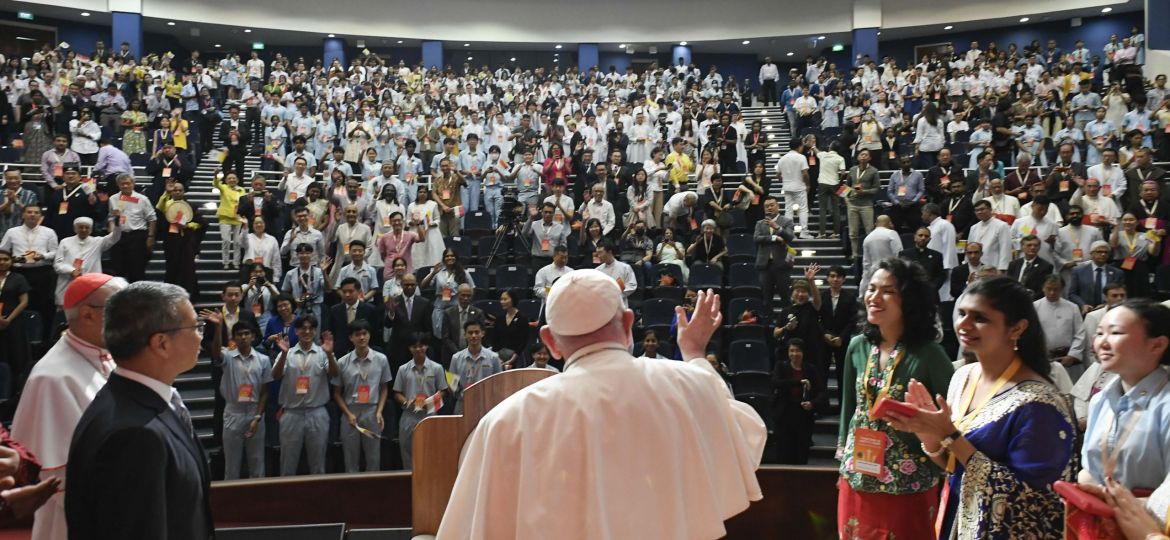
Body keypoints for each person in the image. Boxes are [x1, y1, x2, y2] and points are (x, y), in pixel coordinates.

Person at [436, 273, 765, 539]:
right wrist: (693, 352)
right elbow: (744, 439)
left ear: (550, 342)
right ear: (627, 323)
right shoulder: (687, 385)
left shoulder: (505, 422)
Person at [887, 277, 1075, 539]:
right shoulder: (964, 376)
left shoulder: (1039, 403)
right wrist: (929, 436)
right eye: (962, 313)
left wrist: (951, 435)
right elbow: (955, 467)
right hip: (958, 518)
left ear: (1017, 328)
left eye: (980, 318)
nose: (963, 325)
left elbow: (1034, 501)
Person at [66, 281, 213, 540]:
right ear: (161, 343)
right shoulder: (135, 435)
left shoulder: (128, 399)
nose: (201, 335)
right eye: (196, 327)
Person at [11, 274, 127, 540]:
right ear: (87, 315)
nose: (132, 319)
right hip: (79, 522)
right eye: (122, 310)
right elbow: (62, 477)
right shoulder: (53, 377)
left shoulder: (108, 358)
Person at [1077, 300, 1170, 495]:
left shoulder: (1165, 405)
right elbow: (1090, 470)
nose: (1102, 342)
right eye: (1100, 332)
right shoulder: (1100, 400)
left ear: (1157, 345)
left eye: (1116, 333)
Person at [203, 312, 270, 480]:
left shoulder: (263, 360)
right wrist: (218, 327)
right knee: (232, 464)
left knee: (257, 462)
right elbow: (216, 351)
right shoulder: (228, 356)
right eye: (239, 334)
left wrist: (258, 416)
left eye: (247, 334)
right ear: (234, 338)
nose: (243, 337)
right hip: (234, 412)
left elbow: (265, 391)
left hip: (255, 413)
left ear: (253, 336)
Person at [271, 315, 338, 476]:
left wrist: (330, 354)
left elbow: (335, 374)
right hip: (291, 412)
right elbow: (275, 375)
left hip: (317, 412)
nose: (306, 331)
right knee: (288, 462)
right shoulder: (287, 353)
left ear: (315, 331)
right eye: (302, 328)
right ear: (296, 331)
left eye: (310, 328)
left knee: (318, 462)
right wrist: (284, 354)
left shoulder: (323, 352)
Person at [332, 319, 392, 473]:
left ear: (369, 335)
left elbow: (385, 388)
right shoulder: (342, 362)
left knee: (373, 458)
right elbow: (337, 394)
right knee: (350, 459)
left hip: (372, 412)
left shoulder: (381, 359)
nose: (361, 338)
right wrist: (348, 413)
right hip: (350, 412)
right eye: (357, 335)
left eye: (364, 334)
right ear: (351, 338)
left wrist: (379, 411)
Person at [391, 332, 449, 469]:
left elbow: (443, 390)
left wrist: (430, 401)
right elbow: (397, 393)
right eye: (414, 346)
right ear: (409, 348)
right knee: (408, 456)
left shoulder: (437, 368)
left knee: (431, 456)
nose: (418, 349)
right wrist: (406, 402)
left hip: (429, 415)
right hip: (409, 416)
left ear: (427, 346)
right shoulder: (403, 369)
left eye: (421, 346)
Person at [0, 206, 57, 338]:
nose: (32, 215)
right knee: (14, 305)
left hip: (42, 273)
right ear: (22, 215)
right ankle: (12, 334)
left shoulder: (49, 232)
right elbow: (3, 251)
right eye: (29, 212)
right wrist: (13, 259)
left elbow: (55, 252)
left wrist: (43, 256)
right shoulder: (12, 232)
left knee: (43, 307)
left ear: (40, 216)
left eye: (36, 213)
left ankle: (42, 340)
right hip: (18, 273)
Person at [772, 338, 827, 464]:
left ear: (803, 353)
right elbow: (776, 383)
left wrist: (812, 403)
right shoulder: (781, 366)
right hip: (784, 414)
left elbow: (822, 392)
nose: (794, 354)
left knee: (801, 452)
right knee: (784, 452)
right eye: (791, 351)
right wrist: (799, 382)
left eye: (797, 351)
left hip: (803, 414)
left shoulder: (811, 369)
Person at [105, 175, 157, 283]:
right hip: (119, 236)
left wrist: (150, 237)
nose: (125, 186)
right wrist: (111, 232)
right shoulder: (113, 198)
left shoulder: (142, 199)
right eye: (122, 184)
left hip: (137, 236)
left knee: (137, 270)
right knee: (118, 270)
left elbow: (152, 218)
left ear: (133, 184)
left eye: (128, 183)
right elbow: (111, 217)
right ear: (118, 185)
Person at [755, 196, 793, 311]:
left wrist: (777, 227)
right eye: (766, 206)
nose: (769, 208)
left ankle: (788, 322)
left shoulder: (787, 221)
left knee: (785, 297)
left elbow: (790, 236)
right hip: (765, 265)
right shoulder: (760, 223)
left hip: (781, 265)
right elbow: (756, 238)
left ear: (778, 206)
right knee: (766, 299)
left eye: (772, 205)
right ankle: (768, 325)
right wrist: (774, 238)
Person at [775, 138, 811, 238]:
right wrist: (808, 184)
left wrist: (783, 181)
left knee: (788, 210)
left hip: (787, 186)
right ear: (799, 146)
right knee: (803, 209)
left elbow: (777, 174)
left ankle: (789, 232)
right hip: (799, 186)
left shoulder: (782, 158)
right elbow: (805, 173)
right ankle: (804, 232)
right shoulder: (801, 157)